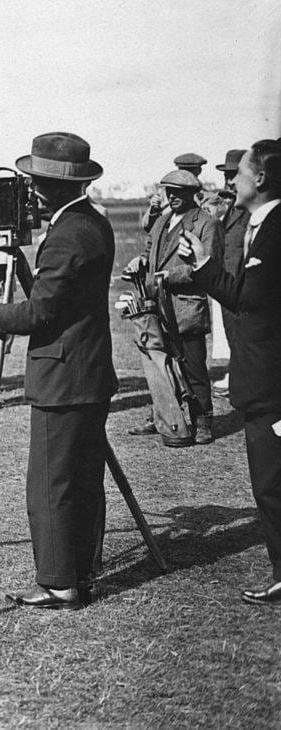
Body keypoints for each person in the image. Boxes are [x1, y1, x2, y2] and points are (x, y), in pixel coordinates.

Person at [0, 132, 117, 610]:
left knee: (51, 483)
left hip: (64, 376)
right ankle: (80, 569)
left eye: (36, 181)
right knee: (81, 477)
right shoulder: (92, 222)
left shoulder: (68, 234)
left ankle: (58, 582)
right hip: (87, 372)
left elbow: (39, 313)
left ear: (57, 186)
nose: (29, 190)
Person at [179, 139, 281, 604]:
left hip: (270, 382)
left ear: (260, 179)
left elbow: (249, 300)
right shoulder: (265, 223)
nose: (232, 181)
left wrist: (201, 265)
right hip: (263, 377)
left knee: (271, 484)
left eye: (239, 173)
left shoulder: (275, 228)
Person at [125, 169, 223, 444]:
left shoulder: (206, 223)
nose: (173, 196)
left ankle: (203, 421)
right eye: (169, 191)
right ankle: (166, 418)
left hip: (185, 308)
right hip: (158, 304)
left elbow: (208, 265)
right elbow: (149, 251)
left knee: (193, 367)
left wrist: (171, 276)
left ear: (193, 194)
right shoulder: (163, 220)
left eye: (179, 192)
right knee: (160, 365)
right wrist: (140, 262)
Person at [212, 149, 251, 397]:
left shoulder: (252, 211)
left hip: (245, 288)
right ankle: (237, 378)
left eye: (233, 174)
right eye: (226, 175)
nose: (229, 181)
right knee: (233, 337)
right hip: (228, 287)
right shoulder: (231, 209)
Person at [141, 152, 208, 232]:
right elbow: (147, 225)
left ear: (199, 171)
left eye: (190, 170)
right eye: (183, 170)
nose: (185, 175)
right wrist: (154, 210)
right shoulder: (164, 195)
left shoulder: (208, 197)